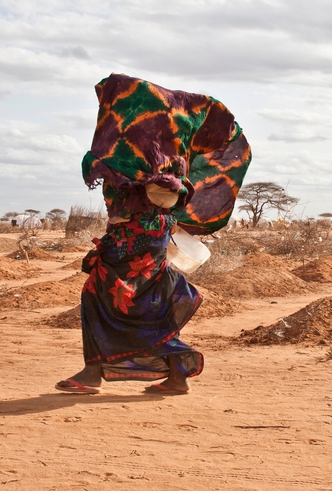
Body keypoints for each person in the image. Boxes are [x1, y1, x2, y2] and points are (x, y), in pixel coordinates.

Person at [57, 74, 251, 395]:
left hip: (139, 241)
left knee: (125, 299)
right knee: (114, 296)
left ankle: (107, 371)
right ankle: (156, 372)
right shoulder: (138, 160)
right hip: (126, 239)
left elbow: (162, 198)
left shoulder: (165, 166)